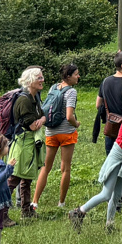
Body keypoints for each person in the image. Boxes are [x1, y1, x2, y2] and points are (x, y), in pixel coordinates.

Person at [68, 115, 122, 233]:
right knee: (106, 194)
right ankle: (78, 212)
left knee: (117, 195)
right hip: (118, 156)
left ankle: (109, 224)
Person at [32, 63, 81, 210]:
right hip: (66, 133)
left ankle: (34, 201)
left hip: (51, 132)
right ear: (68, 76)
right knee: (65, 168)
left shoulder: (54, 87)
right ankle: (61, 203)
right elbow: (69, 116)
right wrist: (76, 123)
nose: (78, 76)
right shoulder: (71, 91)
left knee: (46, 167)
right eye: (76, 74)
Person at [97, 50, 122, 204]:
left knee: (113, 166)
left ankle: (109, 198)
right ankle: (118, 201)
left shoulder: (106, 81)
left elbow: (97, 104)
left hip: (112, 129)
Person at [7, 67, 46, 217]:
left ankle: (26, 211)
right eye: (39, 78)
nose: (42, 80)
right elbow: (33, 125)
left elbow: (42, 117)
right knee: (14, 178)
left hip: (30, 143)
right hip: (22, 144)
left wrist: (41, 119)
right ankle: (0, 212)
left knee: (27, 178)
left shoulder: (34, 97)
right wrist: (41, 120)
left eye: (42, 77)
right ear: (30, 81)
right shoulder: (24, 100)